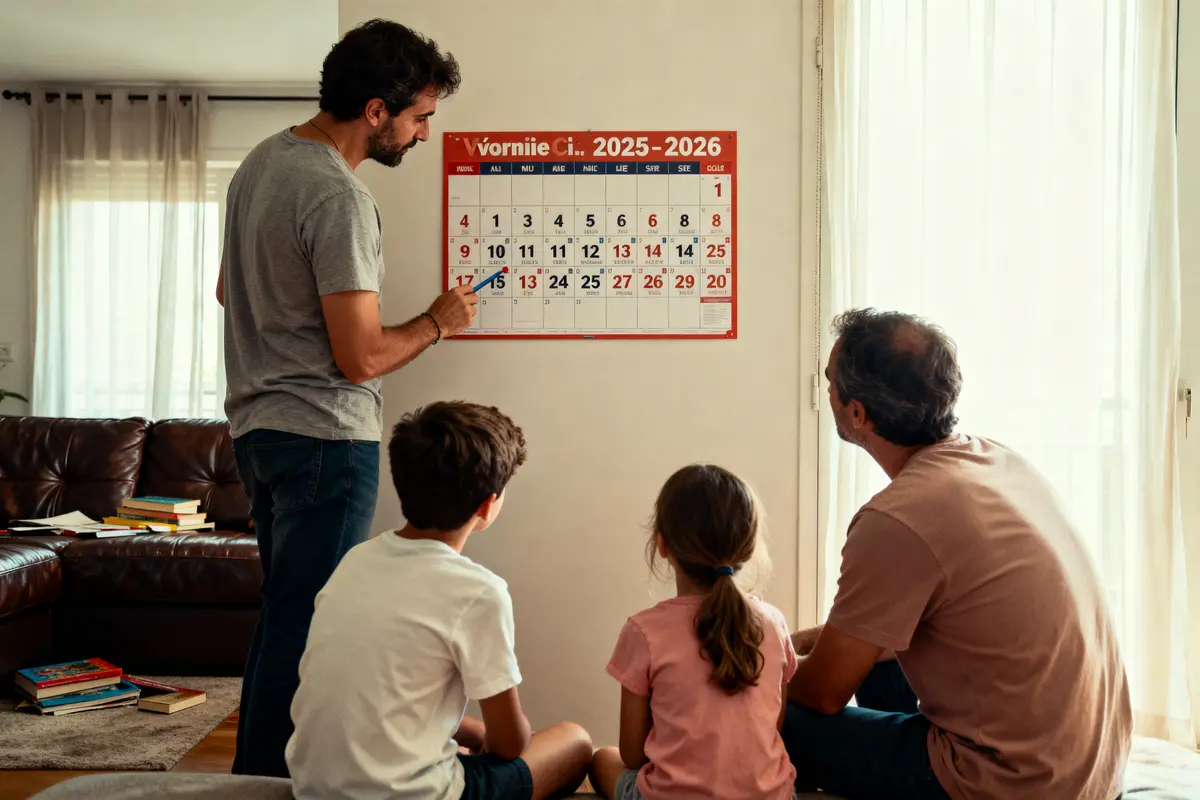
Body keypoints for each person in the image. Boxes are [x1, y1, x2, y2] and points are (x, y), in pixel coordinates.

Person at [215, 19, 478, 777]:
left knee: (284, 616)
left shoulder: (259, 166)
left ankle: (252, 779)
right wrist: (437, 321)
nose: (424, 134)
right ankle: (271, 785)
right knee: (309, 625)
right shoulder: (337, 196)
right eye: (420, 116)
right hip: (324, 438)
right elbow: (360, 357)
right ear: (376, 111)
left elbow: (228, 291)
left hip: (259, 433)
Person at [782, 308, 1132, 799]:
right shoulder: (997, 460)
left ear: (857, 413)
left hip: (1017, 784)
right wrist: (788, 641)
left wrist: (749, 668)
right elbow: (875, 631)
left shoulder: (896, 519)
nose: (826, 391)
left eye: (829, 382)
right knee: (877, 661)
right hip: (1091, 775)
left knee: (777, 716)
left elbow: (822, 693)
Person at [285, 401, 593, 800]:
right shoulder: (479, 591)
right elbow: (510, 745)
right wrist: (491, 734)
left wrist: (471, 730)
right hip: (413, 795)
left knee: (470, 740)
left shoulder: (356, 561)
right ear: (488, 504)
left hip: (314, 788)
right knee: (575, 741)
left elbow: (382, 697)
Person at [590, 464, 798, 800]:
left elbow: (632, 754)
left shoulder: (643, 631)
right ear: (746, 548)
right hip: (772, 795)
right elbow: (774, 725)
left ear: (662, 544)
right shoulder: (774, 623)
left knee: (603, 758)